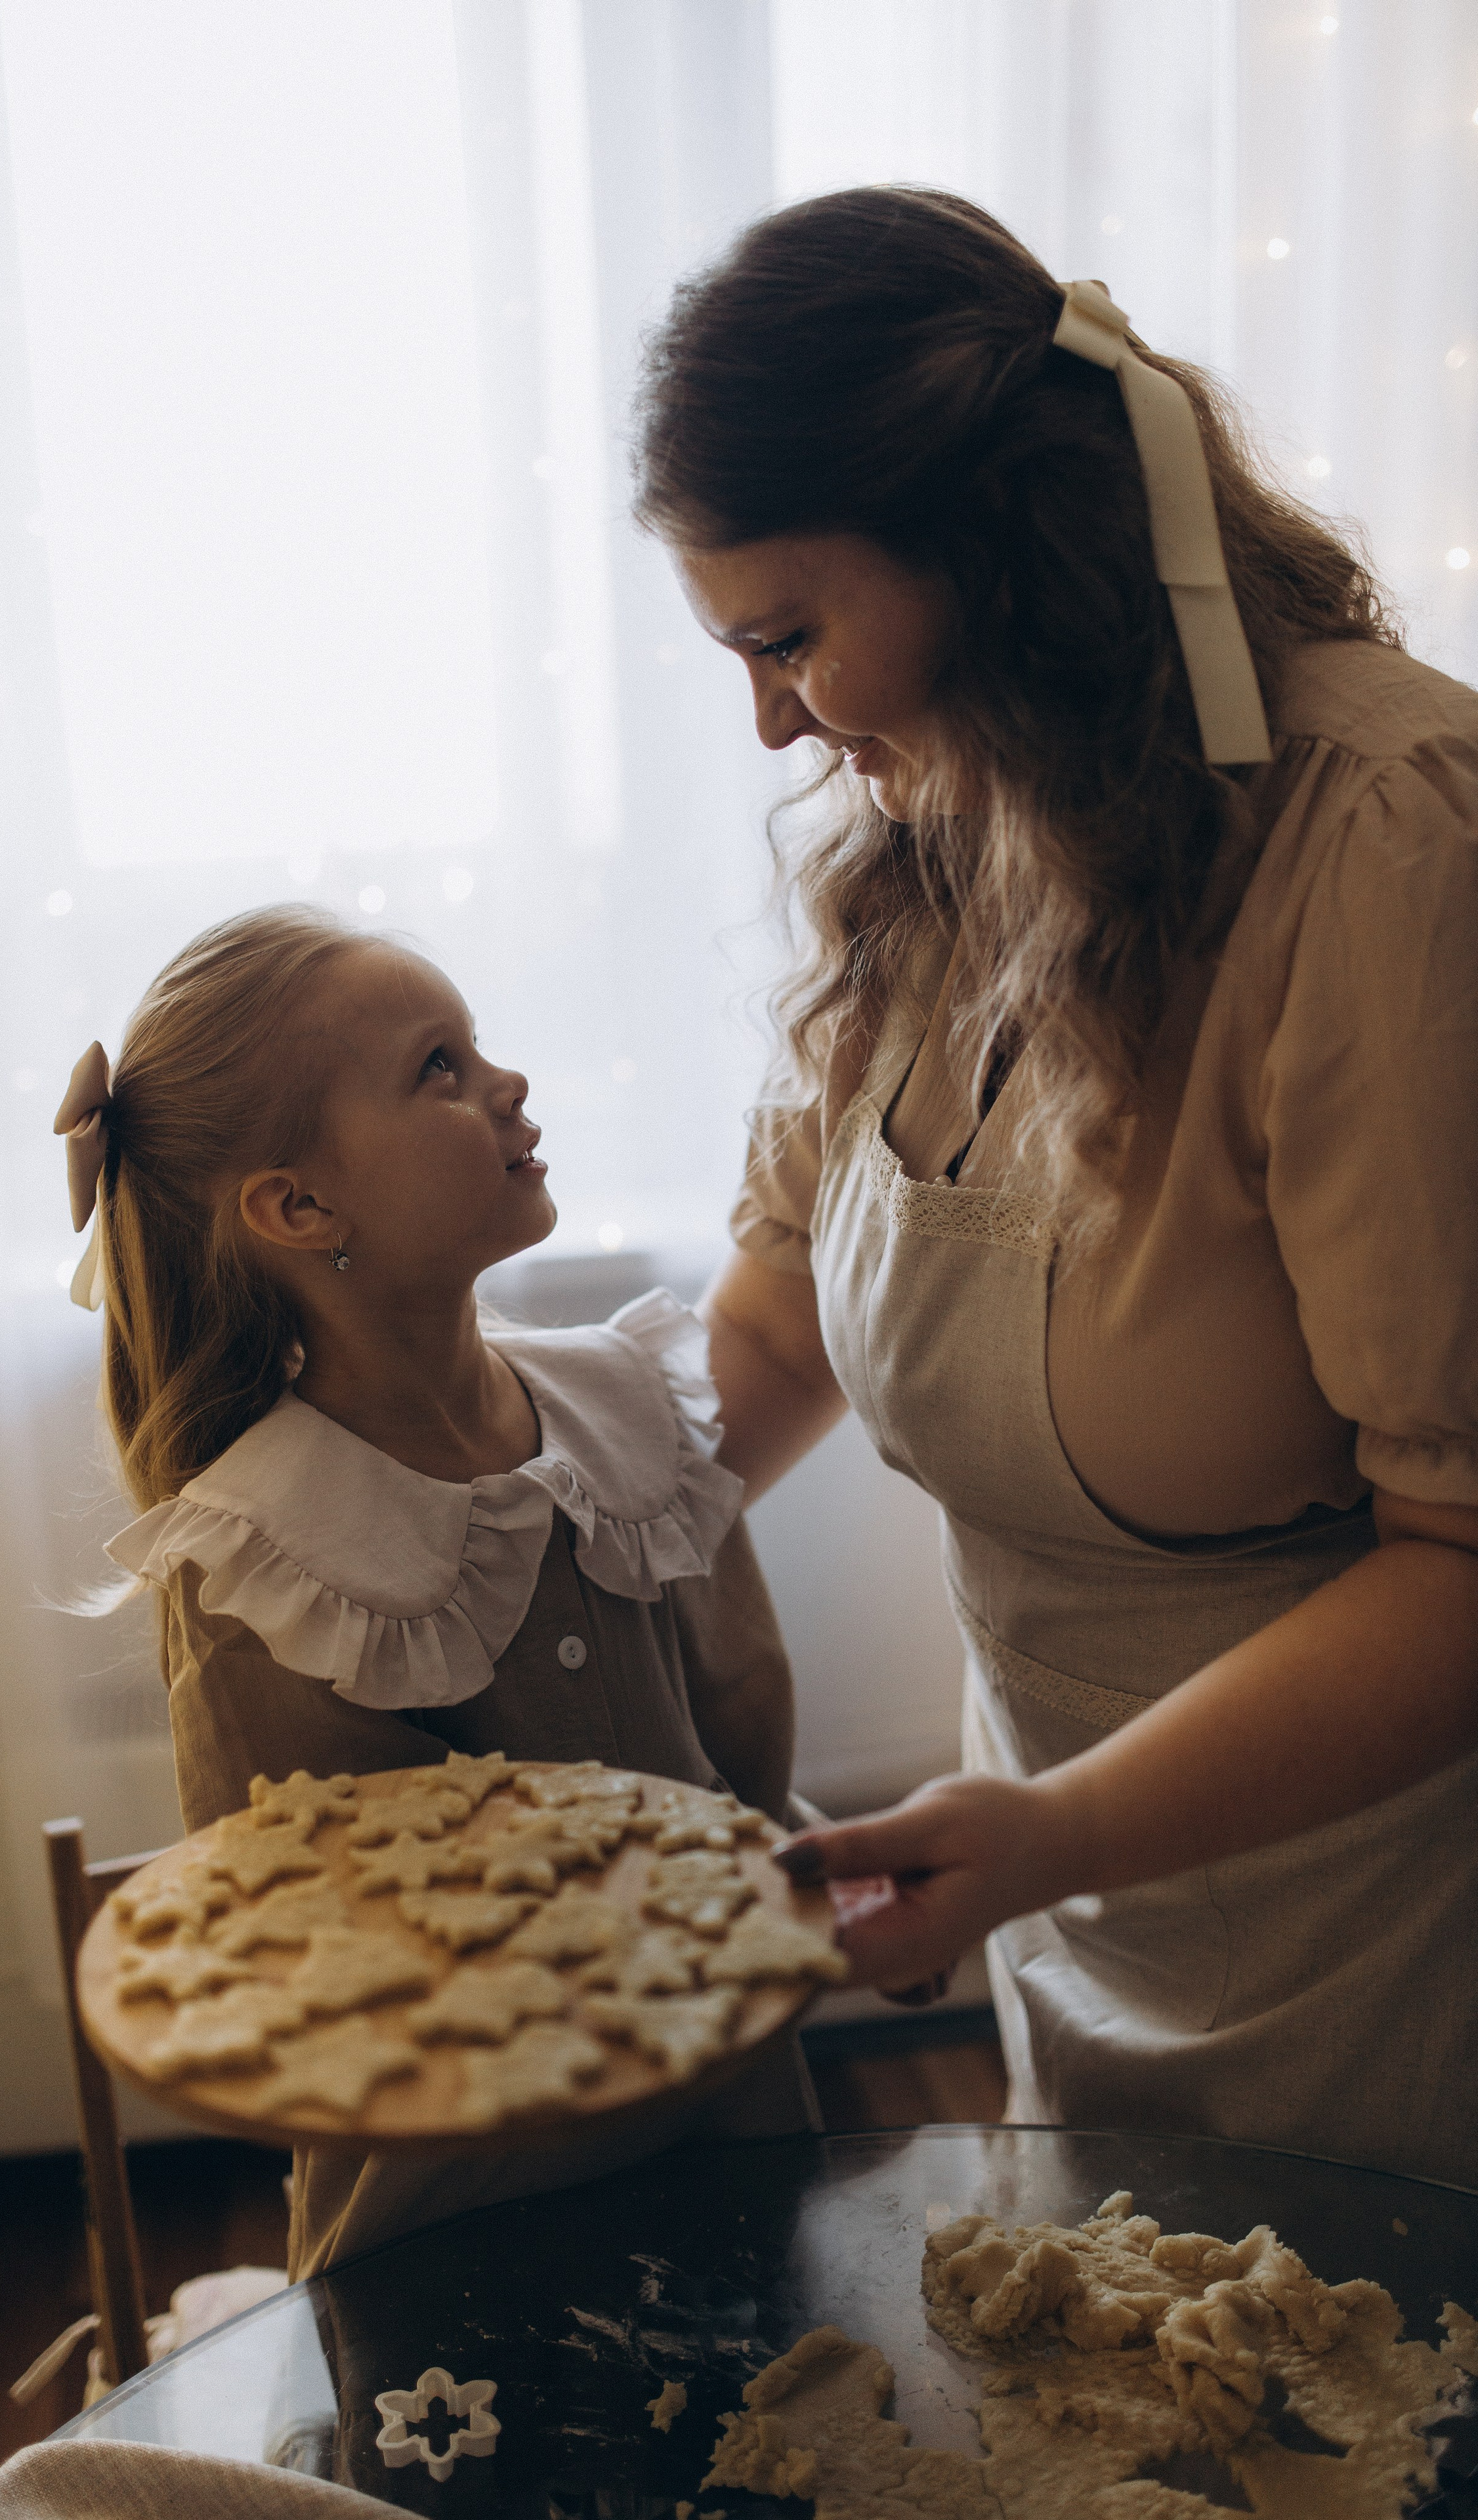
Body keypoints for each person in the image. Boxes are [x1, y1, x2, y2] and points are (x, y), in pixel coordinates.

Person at [633, 186, 1478, 2186]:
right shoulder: (922, 839)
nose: (770, 717)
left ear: (996, 557)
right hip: (1063, 1877)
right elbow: (776, 1316)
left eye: (788, 635)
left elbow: (1462, 1565)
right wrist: (495, 1545)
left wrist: (1065, 1832)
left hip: (1386, 1915)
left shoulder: (1383, 846)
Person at [53, 906, 816, 2275]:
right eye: (439, 1069)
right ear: (299, 1207)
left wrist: (811, 1878)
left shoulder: (630, 1406)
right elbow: (333, 1947)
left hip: (738, 2142)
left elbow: (740, 1728)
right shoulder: (267, 1557)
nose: (505, 1085)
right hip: (460, 2238)